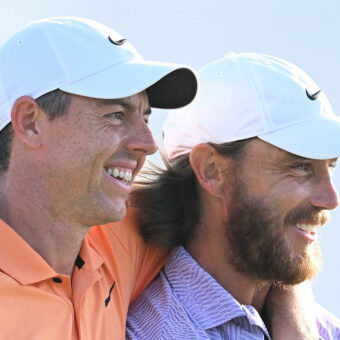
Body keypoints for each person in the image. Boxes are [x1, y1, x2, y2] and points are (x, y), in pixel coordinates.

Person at [0, 17, 198, 339]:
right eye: (116, 115)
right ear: (30, 122)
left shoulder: (116, 238)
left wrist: (292, 314)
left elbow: (254, 224)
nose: (148, 144)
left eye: (146, 118)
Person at [126, 52, 340, 339]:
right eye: (300, 166)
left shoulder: (321, 326)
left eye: (330, 167)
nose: (330, 199)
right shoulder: (157, 332)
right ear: (212, 170)